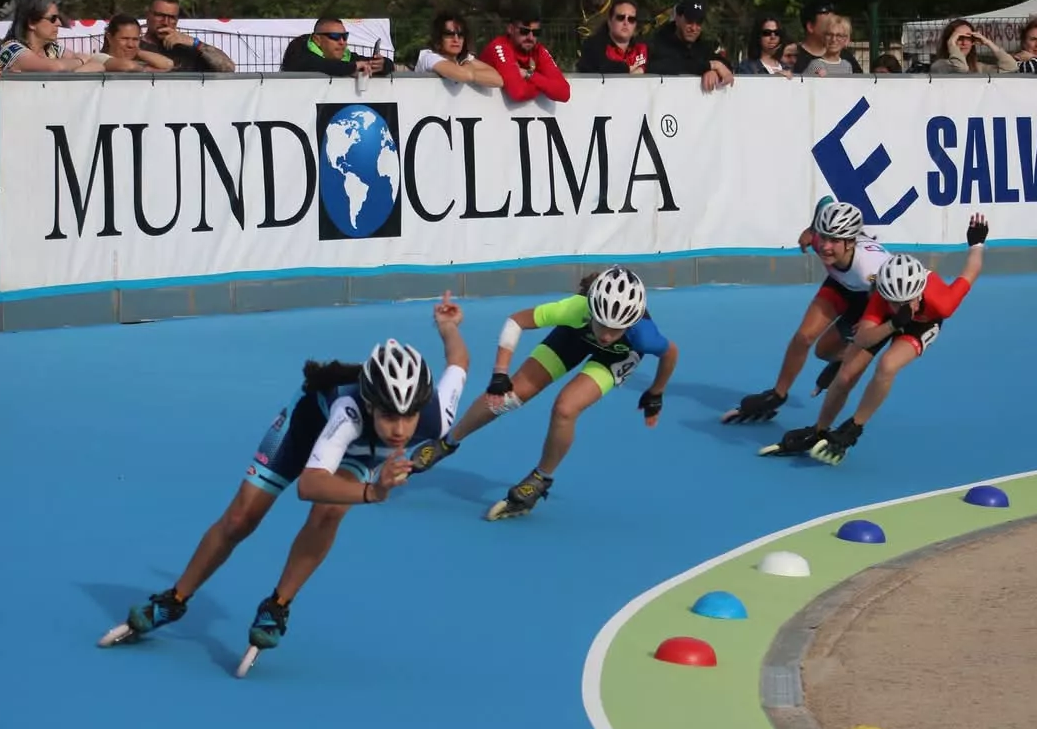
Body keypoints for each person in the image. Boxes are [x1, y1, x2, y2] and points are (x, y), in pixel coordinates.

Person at [97, 292, 468, 661]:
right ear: (371, 404)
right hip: (305, 426)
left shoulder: (437, 417)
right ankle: (174, 599)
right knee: (241, 519)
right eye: (389, 416)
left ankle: (277, 605)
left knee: (330, 511)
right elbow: (308, 484)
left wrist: (447, 327)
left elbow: (459, 361)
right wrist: (375, 491)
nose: (400, 429)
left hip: (357, 449)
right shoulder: (348, 410)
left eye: (409, 416)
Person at [407, 266, 678, 520]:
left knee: (566, 408)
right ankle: (447, 442)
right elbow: (516, 321)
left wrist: (656, 393)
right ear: (592, 310)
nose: (606, 335)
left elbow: (670, 354)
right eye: (602, 324)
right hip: (576, 334)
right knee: (509, 396)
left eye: (615, 328)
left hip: (620, 355)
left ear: (629, 324)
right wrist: (500, 373)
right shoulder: (575, 309)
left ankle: (540, 478)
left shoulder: (643, 335)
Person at [760, 214, 990, 464]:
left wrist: (976, 244)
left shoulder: (942, 303)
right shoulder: (881, 298)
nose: (897, 305)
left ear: (918, 295)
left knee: (887, 365)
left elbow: (971, 270)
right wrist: (893, 322)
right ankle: (819, 431)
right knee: (846, 375)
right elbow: (863, 339)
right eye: (892, 300)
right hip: (889, 321)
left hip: (923, 323)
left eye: (903, 301)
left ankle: (854, 427)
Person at [723, 198, 894, 424]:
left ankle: (842, 363)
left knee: (823, 352)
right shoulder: (819, 239)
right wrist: (811, 229)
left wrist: (870, 322)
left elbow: (895, 294)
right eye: (822, 236)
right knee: (804, 336)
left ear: (851, 242)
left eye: (834, 240)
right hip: (841, 283)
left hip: (872, 298)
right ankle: (777, 395)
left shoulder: (871, 268)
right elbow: (825, 202)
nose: (825, 246)